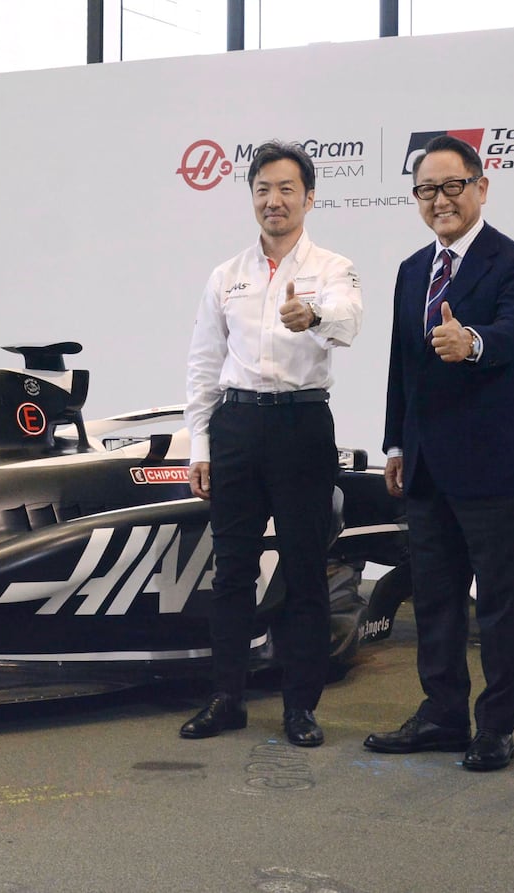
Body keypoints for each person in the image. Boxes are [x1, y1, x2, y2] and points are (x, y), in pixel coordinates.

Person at [364, 135, 514, 772]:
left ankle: (496, 727)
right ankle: (442, 715)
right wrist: (395, 442)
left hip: (497, 464)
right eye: (425, 190)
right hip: (427, 464)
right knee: (436, 599)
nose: (439, 200)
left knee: (499, 603)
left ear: (480, 188)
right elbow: (400, 365)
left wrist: (470, 341)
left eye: (451, 187)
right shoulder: (413, 269)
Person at [180, 140, 363, 746]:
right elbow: (204, 365)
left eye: (286, 189)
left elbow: (350, 320)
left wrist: (312, 316)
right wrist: (200, 446)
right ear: (251, 197)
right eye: (263, 189)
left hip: (301, 427)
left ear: (309, 198)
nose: (274, 200)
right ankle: (225, 698)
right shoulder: (225, 276)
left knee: (305, 570)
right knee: (231, 570)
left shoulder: (331, 267)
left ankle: (299, 708)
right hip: (236, 427)